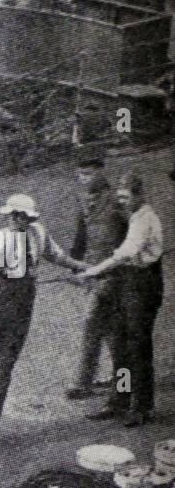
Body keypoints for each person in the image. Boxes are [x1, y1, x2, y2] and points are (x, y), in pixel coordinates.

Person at [0, 194, 84, 454]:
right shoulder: (0, 239)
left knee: (4, 368)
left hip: (24, 301)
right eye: (11, 215)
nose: (14, 220)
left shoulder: (38, 233)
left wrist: (81, 266)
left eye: (19, 216)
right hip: (0, 299)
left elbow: (56, 256)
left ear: (28, 217)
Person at [77, 172, 164, 427]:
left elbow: (127, 252)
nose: (122, 201)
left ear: (140, 195)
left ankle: (142, 406)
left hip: (144, 283)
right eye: (120, 197)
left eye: (126, 197)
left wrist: (94, 270)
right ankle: (120, 400)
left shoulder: (144, 219)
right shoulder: (134, 216)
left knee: (138, 347)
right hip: (129, 282)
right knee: (122, 345)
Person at [65, 157, 129, 400]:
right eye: (81, 174)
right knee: (112, 330)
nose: (85, 179)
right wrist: (74, 266)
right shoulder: (83, 201)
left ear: (102, 173)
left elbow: (132, 233)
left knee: (92, 323)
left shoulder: (117, 200)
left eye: (90, 174)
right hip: (92, 272)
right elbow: (80, 238)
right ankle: (121, 378)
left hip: (114, 272)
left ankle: (83, 382)